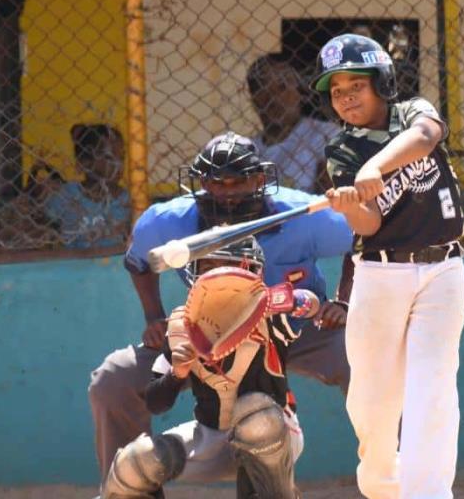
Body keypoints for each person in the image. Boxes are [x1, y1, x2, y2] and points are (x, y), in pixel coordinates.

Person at [88, 132, 354, 482]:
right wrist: (155, 320)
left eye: (239, 182)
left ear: (260, 179)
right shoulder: (167, 222)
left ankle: (401, 478)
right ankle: (124, 487)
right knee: (113, 379)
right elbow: (138, 262)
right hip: (211, 332)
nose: (227, 192)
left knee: (365, 359)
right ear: (200, 183)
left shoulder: (304, 215)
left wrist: (343, 301)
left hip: (294, 326)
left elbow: (360, 241)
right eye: (216, 183)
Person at [311, 34, 464, 498]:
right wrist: (347, 205)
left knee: (432, 391)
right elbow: (370, 222)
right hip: (381, 274)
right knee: (372, 405)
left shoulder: (412, 113)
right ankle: (383, 488)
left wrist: (374, 168)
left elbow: (425, 138)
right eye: (337, 91)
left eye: (356, 84)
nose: (346, 97)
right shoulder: (341, 152)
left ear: (382, 82)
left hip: (443, 270)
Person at [101, 238, 310, 499]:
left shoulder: (270, 315)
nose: (217, 276)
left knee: (255, 416)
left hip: (273, 434)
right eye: (209, 266)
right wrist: (176, 374)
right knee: (137, 462)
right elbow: (155, 403)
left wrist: (290, 299)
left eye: (227, 266)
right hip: (211, 434)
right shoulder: (181, 326)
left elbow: (308, 304)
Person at [247, 54, 340, 193]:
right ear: (254, 99)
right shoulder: (248, 151)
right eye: (263, 89)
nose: (273, 97)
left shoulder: (326, 135)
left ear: (299, 91)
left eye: (282, 86)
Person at [45, 124, 130, 248]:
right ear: (84, 163)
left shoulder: (127, 201)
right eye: (109, 157)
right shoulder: (66, 195)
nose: (118, 165)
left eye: (121, 157)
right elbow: (44, 229)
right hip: (72, 265)